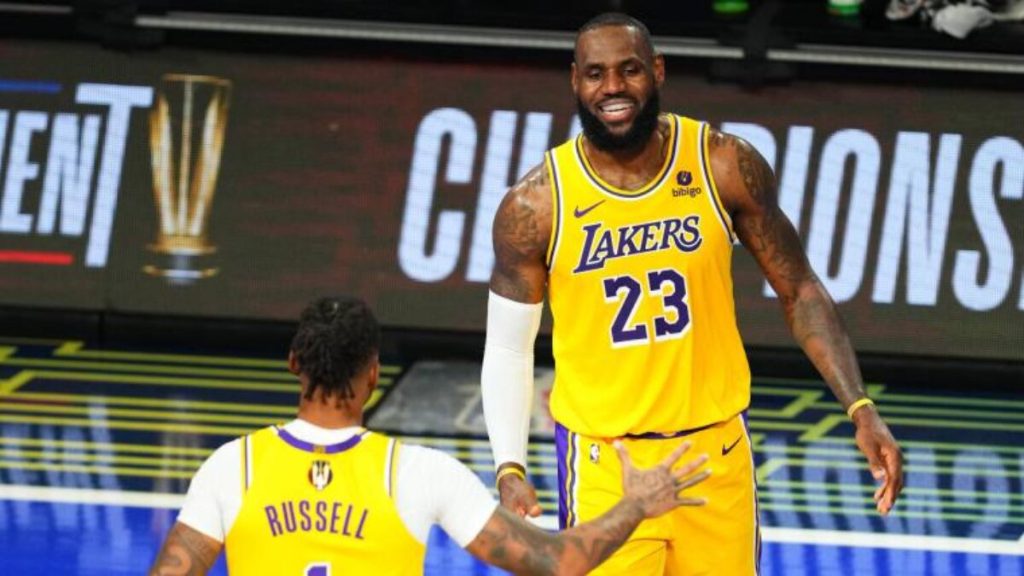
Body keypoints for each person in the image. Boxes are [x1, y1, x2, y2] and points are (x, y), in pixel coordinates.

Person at [481, 11, 904, 575]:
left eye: (630, 70)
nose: (613, 87)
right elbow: (509, 348)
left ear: (657, 71)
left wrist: (860, 406)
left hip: (715, 455)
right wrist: (509, 466)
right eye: (596, 73)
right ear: (575, 81)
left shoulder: (723, 164)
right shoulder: (535, 205)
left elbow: (799, 289)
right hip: (608, 466)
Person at [148, 296, 712, 576]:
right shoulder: (419, 472)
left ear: (294, 362)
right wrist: (636, 505)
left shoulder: (232, 466)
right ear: (374, 374)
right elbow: (557, 561)